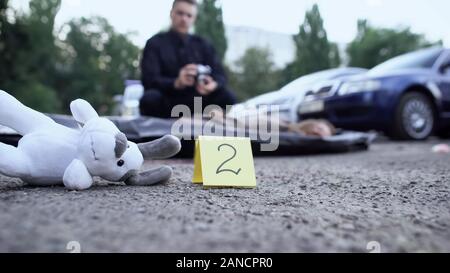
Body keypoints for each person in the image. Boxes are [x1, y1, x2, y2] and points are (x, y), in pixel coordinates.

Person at [139, 0, 237, 118]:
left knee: (227, 96)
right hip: (169, 100)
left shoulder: (203, 44)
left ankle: (202, 117)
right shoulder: (154, 43)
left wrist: (212, 84)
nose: (184, 19)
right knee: (149, 99)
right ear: (171, 13)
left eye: (189, 15)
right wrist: (176, 82)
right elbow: (149, 80)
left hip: (198, 98)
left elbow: (220, 74)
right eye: (180, 13)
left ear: (194, 18)